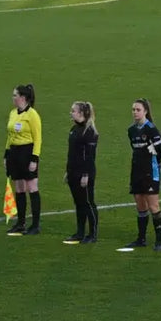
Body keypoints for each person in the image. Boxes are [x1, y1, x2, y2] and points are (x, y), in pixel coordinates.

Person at [126, 99, 161, 251]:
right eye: (133, 109)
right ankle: (141, 239)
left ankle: (159, 241)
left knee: (153, 206)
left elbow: (160, 150)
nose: (135, 112)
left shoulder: (151, 129)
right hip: (136, 171)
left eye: (138, 110)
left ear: (145, 111)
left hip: (150, 172)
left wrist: (155, 160)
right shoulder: (131, 130)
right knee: (140, 206)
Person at [5, 83, 42, 235]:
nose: (13, 98)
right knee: (19, 188)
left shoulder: (32, 115)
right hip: (14, 152)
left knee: (32, 187)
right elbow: (10, 135)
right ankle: (20, 223)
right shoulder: (13, 113)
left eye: (15, 95)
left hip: (27, 152)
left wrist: (34, 159)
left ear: (23, 97)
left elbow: (38, 138)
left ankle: (35, 225)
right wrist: (6, 154)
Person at [65, 101, 99, 245]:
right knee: (78, 203)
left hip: (84, 173)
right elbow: (72, 153)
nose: (71, 113)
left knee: (88, 203)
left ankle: (92, 234)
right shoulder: (74, 129)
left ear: (81, 113)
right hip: (73, 172)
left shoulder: (89, 131)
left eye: (73, 111)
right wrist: (68, 171)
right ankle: (80, 233)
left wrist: (85, 175)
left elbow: (90, 156)